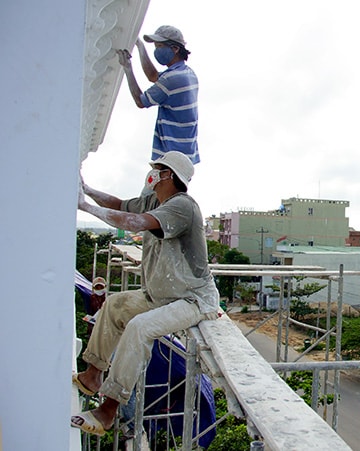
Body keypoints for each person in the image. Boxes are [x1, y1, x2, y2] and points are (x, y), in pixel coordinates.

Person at [71, 151, 219, 436]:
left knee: (140, 328)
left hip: (192, 299)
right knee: (114, 306)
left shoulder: (182, 206)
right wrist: (86, 191)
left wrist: (85, 207)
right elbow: (119, 205)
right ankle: (93, 376)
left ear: (170, 176)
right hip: (159, 295)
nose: (151, 175)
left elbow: (133, 222)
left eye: (158, 170)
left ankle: (108, 410)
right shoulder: (154, 200)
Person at [116, 25, 200, 164]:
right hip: (182, 154)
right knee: (152, 185)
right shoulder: (186, 73)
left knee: (154, 185)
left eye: (159, 46)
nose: (157, 51)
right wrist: (140, 46)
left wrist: (127, 69)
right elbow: (153, 75)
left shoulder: (173, 79)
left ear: (175, 48)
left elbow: (140, 101)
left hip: (172, 157)